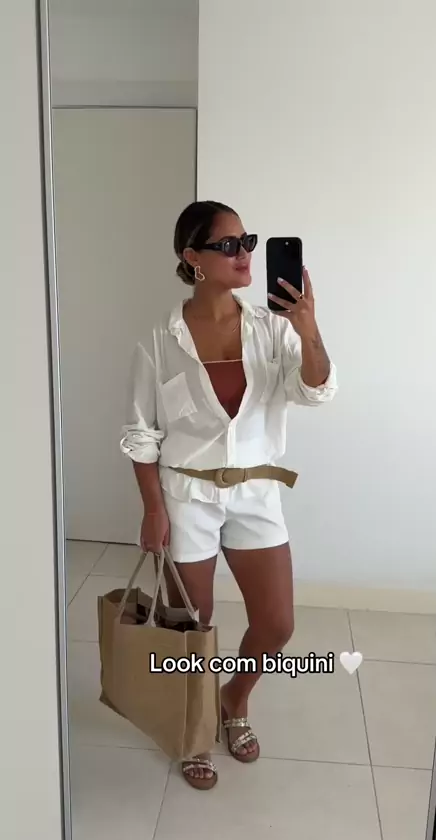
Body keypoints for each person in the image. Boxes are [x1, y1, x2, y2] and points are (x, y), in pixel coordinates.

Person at [120, 200, 337, 790]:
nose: (244, 255)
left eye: (248, 242)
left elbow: (316, 391)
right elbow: (141, 435)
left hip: (256, 493)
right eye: (228, 245)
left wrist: (308, 327)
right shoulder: (159, 341)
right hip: (185, 496)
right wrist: (153, 509)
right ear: (192, 257)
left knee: (277, 623)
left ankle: (233, 697)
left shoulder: (271, 328)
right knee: (192, 630)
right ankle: (193, 730)